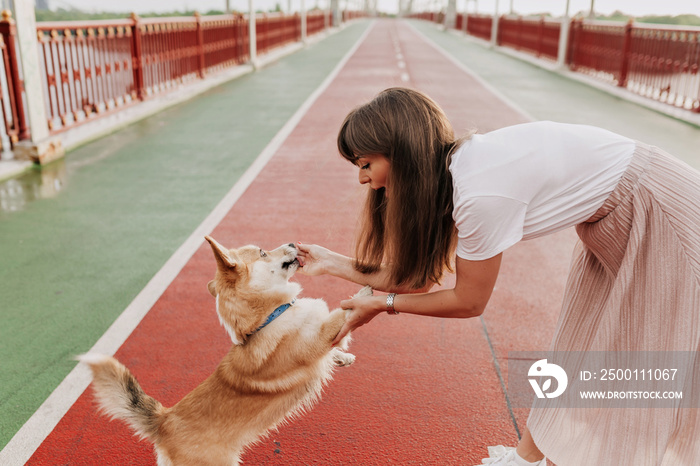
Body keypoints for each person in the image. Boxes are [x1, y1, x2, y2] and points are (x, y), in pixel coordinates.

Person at [296, 87, 700, 466]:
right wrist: (329, 262)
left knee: (649, 364)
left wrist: (382, 304)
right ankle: (525, 460)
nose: (362, 179)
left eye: (366, 164)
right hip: (616, 223)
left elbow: (469, 301)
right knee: (580, 349)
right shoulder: (455, 171)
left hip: (663, 218)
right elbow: (418, 279)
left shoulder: (479, 192)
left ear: (402, 156)